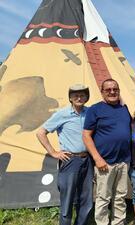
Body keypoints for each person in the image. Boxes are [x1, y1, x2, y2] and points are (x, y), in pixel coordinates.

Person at [36, 84, 93, 225]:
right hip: (70, 160)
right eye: (76, 95)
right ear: (70, 98)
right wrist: (53, 152)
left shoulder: (91, 112)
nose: (79, 98)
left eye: (82, 95)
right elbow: (41, 132)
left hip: (88, 159)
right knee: (67, 198)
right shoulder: (62, 114)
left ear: (86, 97)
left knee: (86, 198)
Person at [82, 79, 131, 225]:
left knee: (120, 197)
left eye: (115, 89)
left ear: (119, 91)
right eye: (108, 90)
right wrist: (97, 158)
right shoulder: (95, 109)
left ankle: (118, 222)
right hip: (105, 162)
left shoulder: (124, 109)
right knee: (103, 197)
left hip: (123, 161)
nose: (112, 92)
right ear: (102, 92)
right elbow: (86, 135)